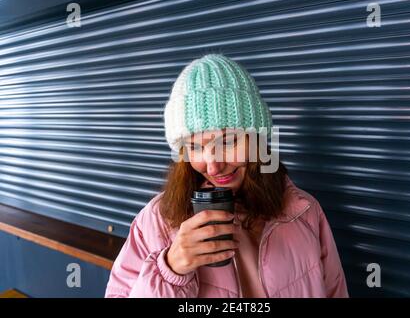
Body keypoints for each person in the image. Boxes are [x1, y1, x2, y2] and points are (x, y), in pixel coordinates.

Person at [105, 54, 348, 298]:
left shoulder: (304, 211)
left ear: (258, 140)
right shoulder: (156, 221)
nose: (213, 167)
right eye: (195, 147)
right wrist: (171, 269)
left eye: (228, 141)